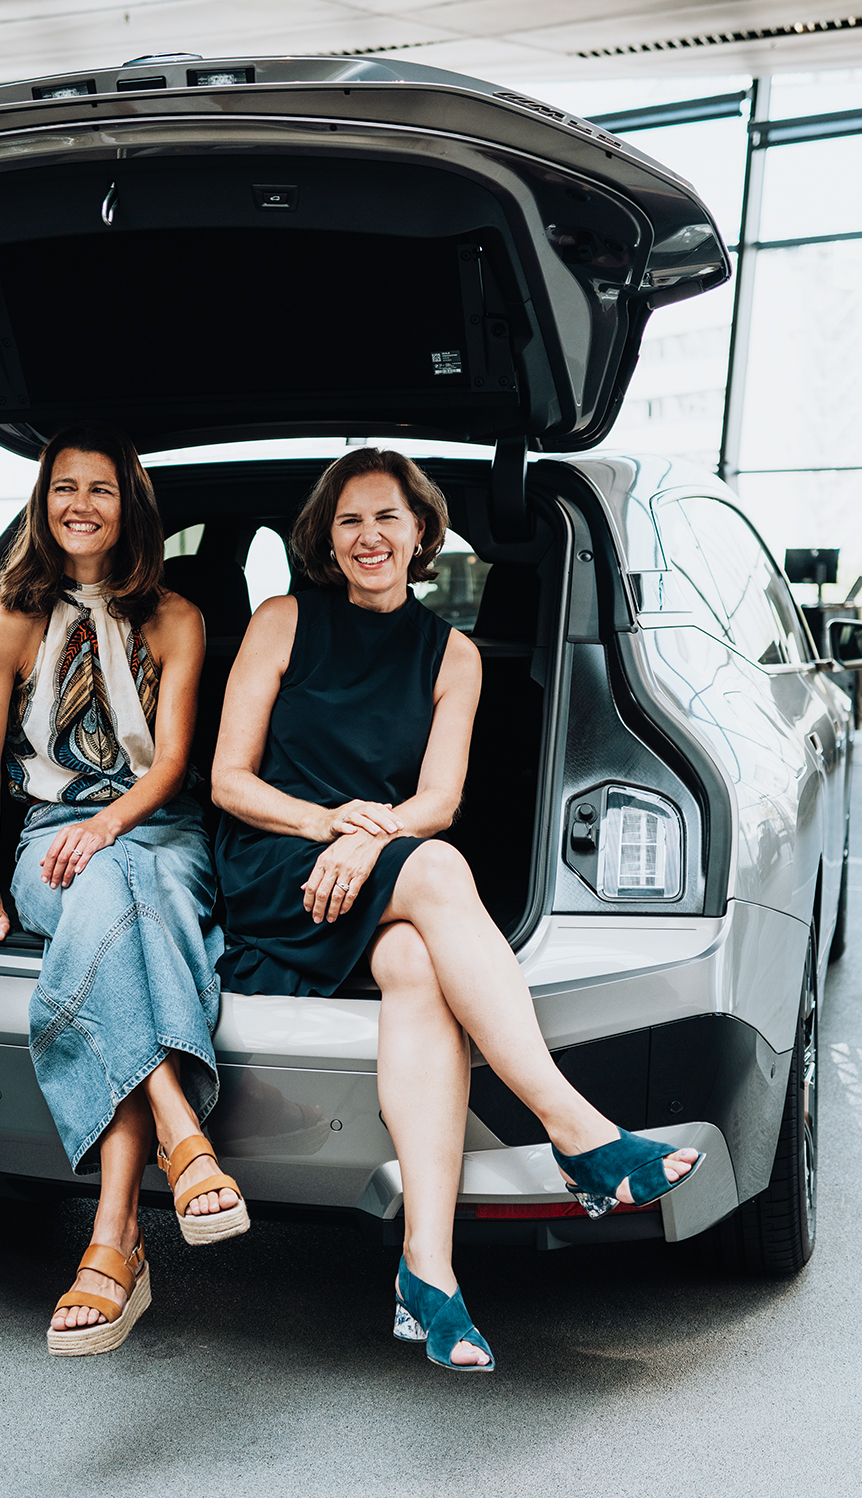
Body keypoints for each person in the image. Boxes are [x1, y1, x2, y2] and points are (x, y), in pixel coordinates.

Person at [211, 447, 700, 1373]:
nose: (369, 537)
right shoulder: (281, 621)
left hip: (379, 865)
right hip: (279, 865)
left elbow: (437, 798)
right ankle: (577, 1131)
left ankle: (427, 1275)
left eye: (388, 518)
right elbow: (231, 781)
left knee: (414, 967)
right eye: (349, 520)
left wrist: (369, 841)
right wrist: (331, 828)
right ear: (325, 537)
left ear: (422, 532)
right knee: (437, 870)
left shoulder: (455, 654)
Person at [0, 424, 248, 1358]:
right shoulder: (6, 620)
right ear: (43, 504)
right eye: (64, 488)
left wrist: (106, 825)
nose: (80, 504)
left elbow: (174, 768)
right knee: (116, 898)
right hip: (45, 843)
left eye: (102, 490)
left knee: (119, 886)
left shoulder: (179, 620)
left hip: (157, 832)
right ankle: (179, 1130)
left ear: (131, 510)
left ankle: (113, 1236)